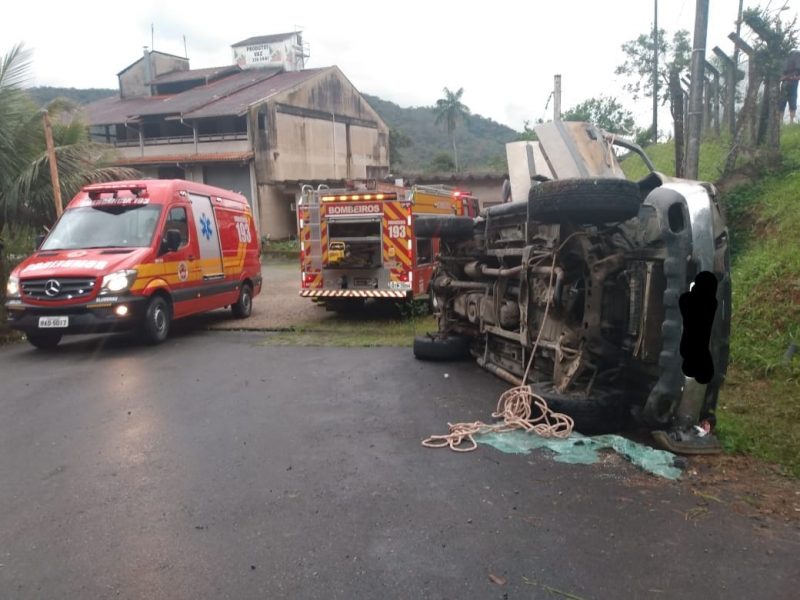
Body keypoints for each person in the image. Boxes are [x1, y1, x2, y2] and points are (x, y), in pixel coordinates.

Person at [779, 50, 800, 124]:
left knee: (792, 101)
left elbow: (797, 76)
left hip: (793, 84)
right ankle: (781, 121)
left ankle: (791, 121)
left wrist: (794, 77)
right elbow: (781, 77)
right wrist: (786, 77)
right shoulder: (785, 59)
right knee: (782, 101)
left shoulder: (797, 56)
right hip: (786, 84)